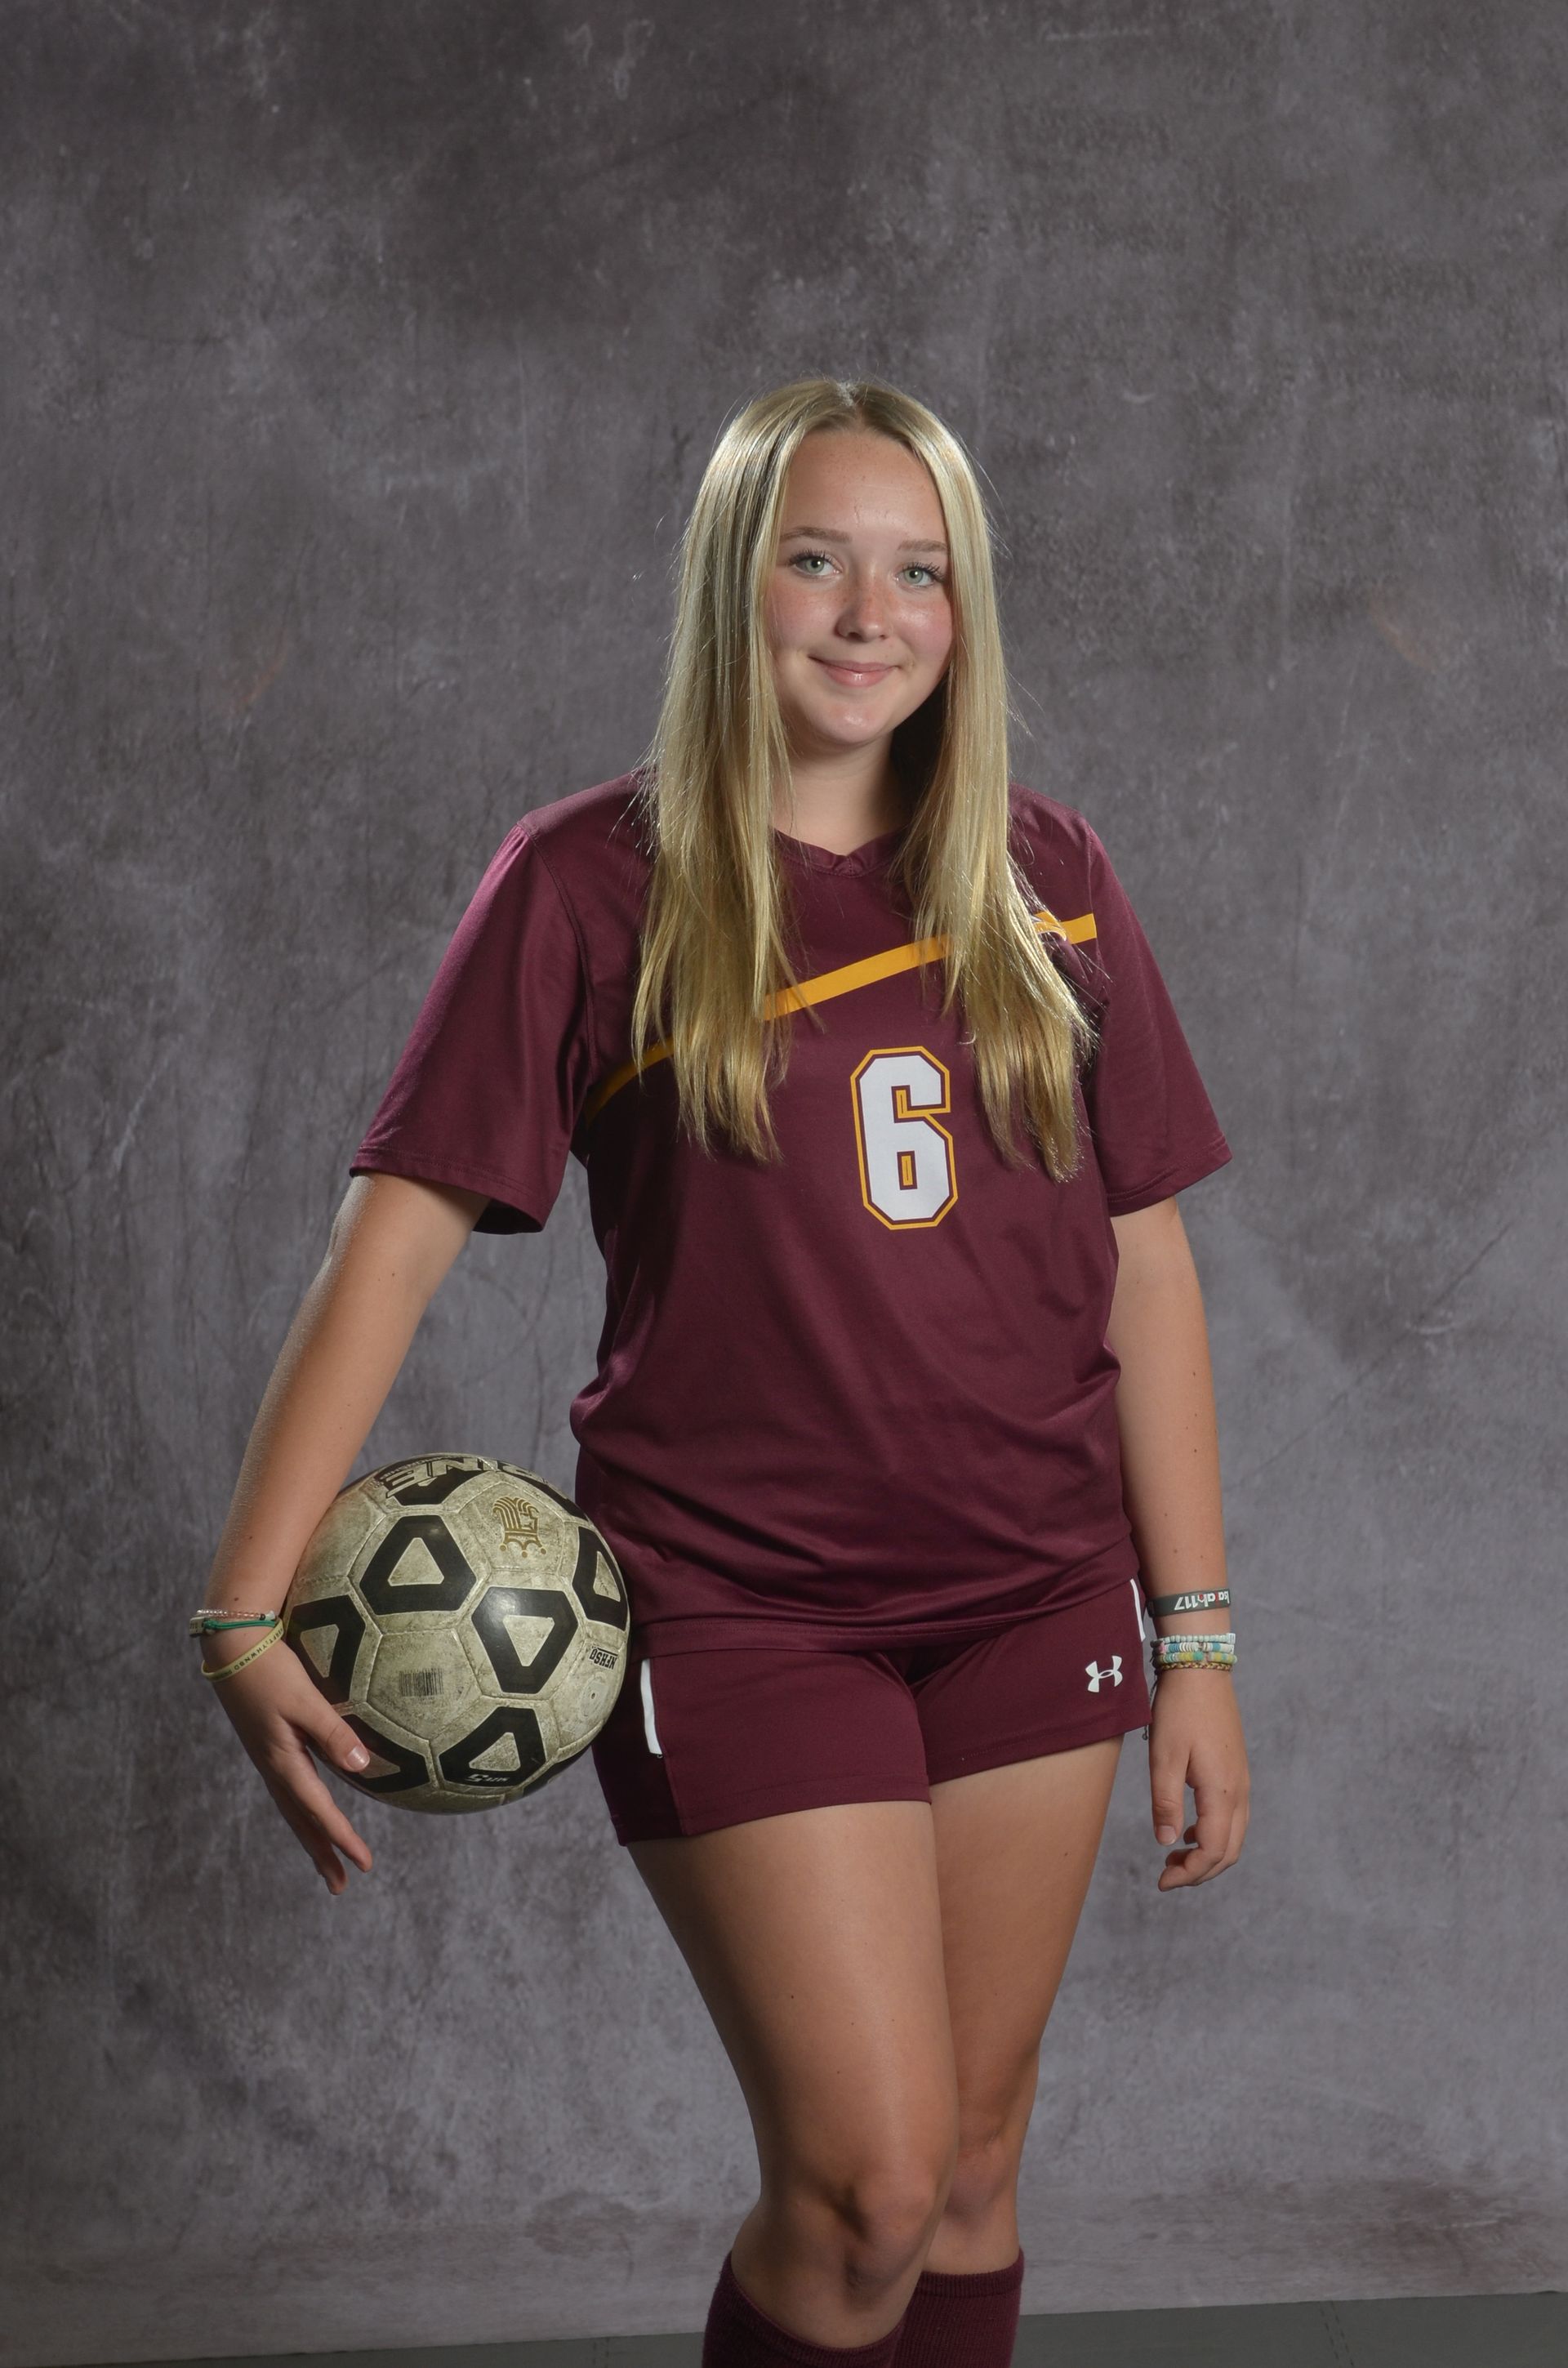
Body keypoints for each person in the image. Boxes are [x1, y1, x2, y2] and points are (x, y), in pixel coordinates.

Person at [194, 377, 1250, 2368]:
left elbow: (1148, 1268)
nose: (872, 612)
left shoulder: (1053, 873)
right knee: (861, 2182)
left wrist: (1192, 1634)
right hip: (741, 1610)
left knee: (968, 2174)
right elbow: (391, 1247)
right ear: (728, 584)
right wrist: (240, 1599)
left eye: (920, 569)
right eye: (818, 558)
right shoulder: (593, 882)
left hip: (1035, 1593)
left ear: (970, 606)